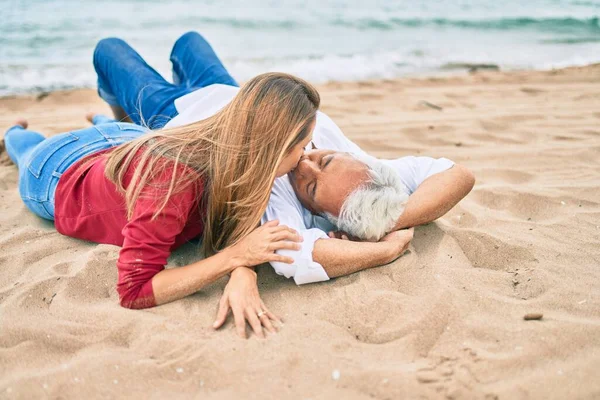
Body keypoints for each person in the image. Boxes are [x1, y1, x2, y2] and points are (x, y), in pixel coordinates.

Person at [3, 64, 374, 339]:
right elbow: (134, 291)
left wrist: (244, 273)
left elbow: (242, 226)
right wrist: (235, 259)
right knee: (26, 147)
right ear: (271, 148)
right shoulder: (175, 181)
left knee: (112, 130)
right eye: (300, 147)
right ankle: (12, 132)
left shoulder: (241, 155)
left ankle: (99, 117)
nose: (305, 157)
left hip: (128, 137)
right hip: (61, 169)